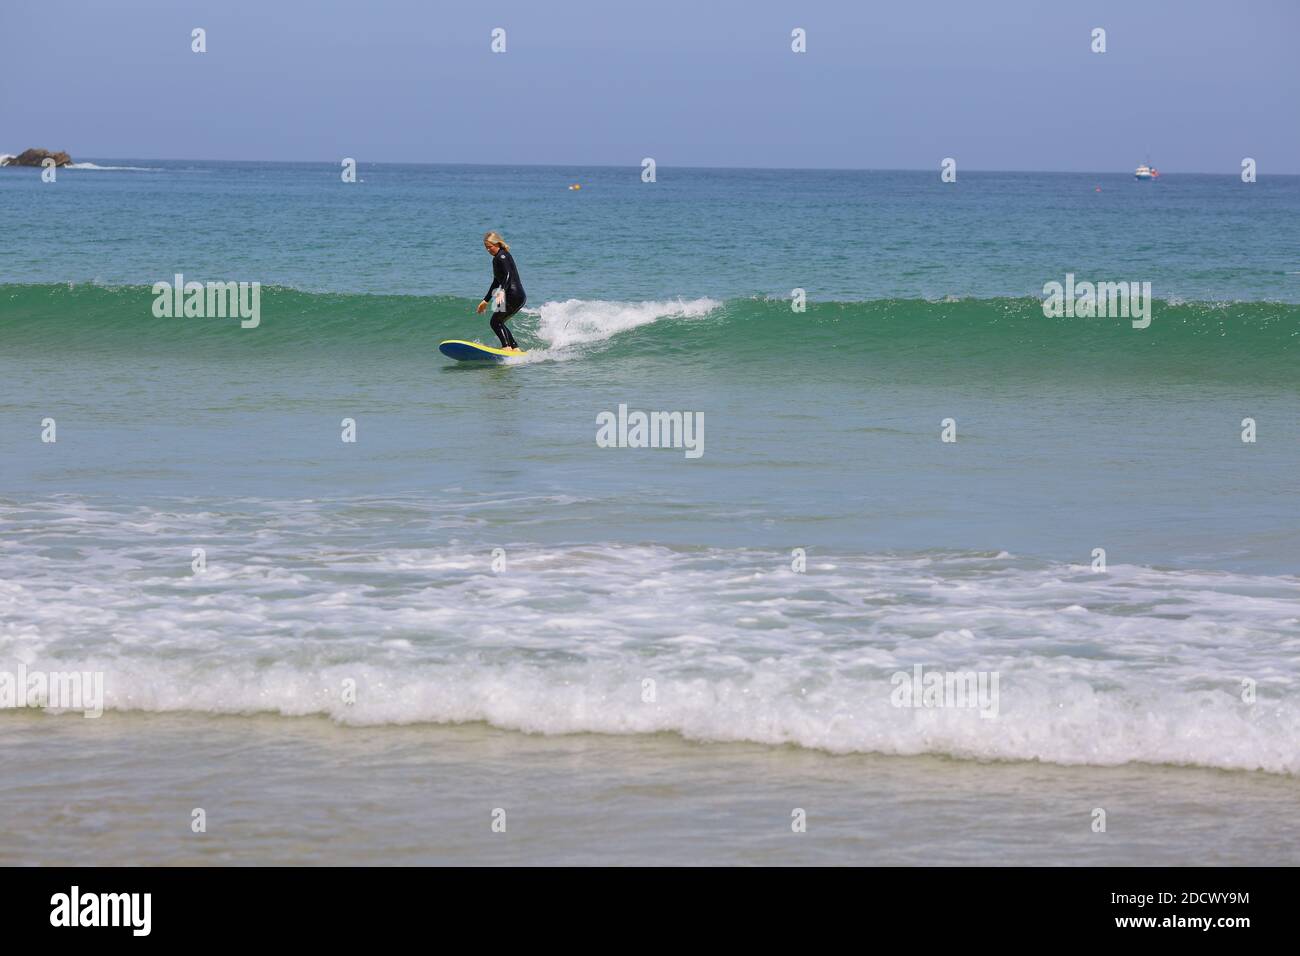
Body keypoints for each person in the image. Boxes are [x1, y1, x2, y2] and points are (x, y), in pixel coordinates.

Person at [476, 231, 526, 350]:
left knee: (495, 322)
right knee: (499, 322)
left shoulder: (502, 256)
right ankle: (514, 348)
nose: (488, 250)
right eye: (486, 248)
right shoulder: (497, 258)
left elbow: (508, 275)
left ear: (497, 244)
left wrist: (502, 291)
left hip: (513, 295)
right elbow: (496, 282)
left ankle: (506, 347)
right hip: (516, 295)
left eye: (490, 247)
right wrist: (485, 300)